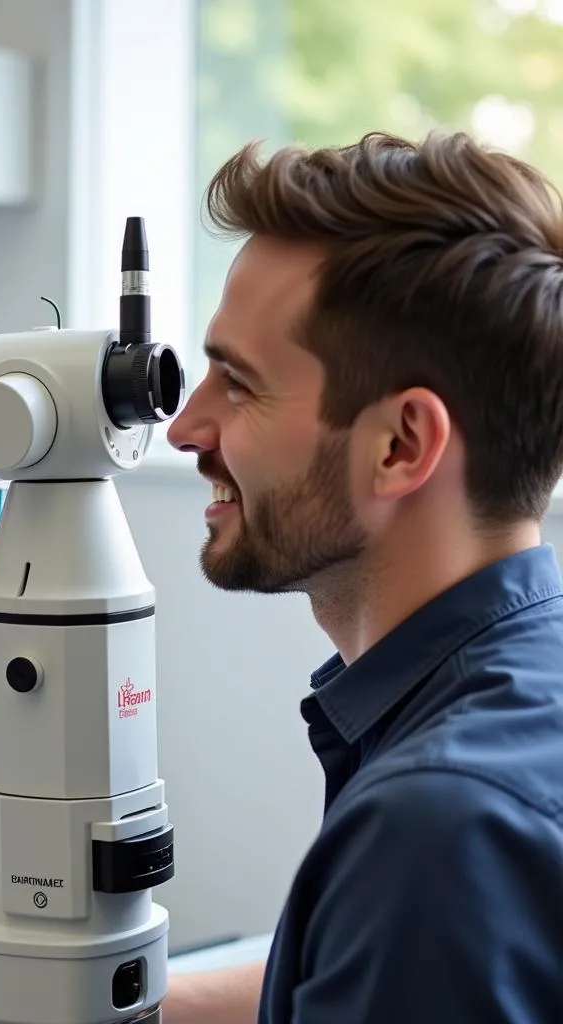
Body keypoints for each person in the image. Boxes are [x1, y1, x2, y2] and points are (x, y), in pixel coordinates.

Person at [163, 131, 563, 1023]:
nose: (186, 428)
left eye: (238, 382)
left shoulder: (437, 833)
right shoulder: (524, 698)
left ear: (401, 445)